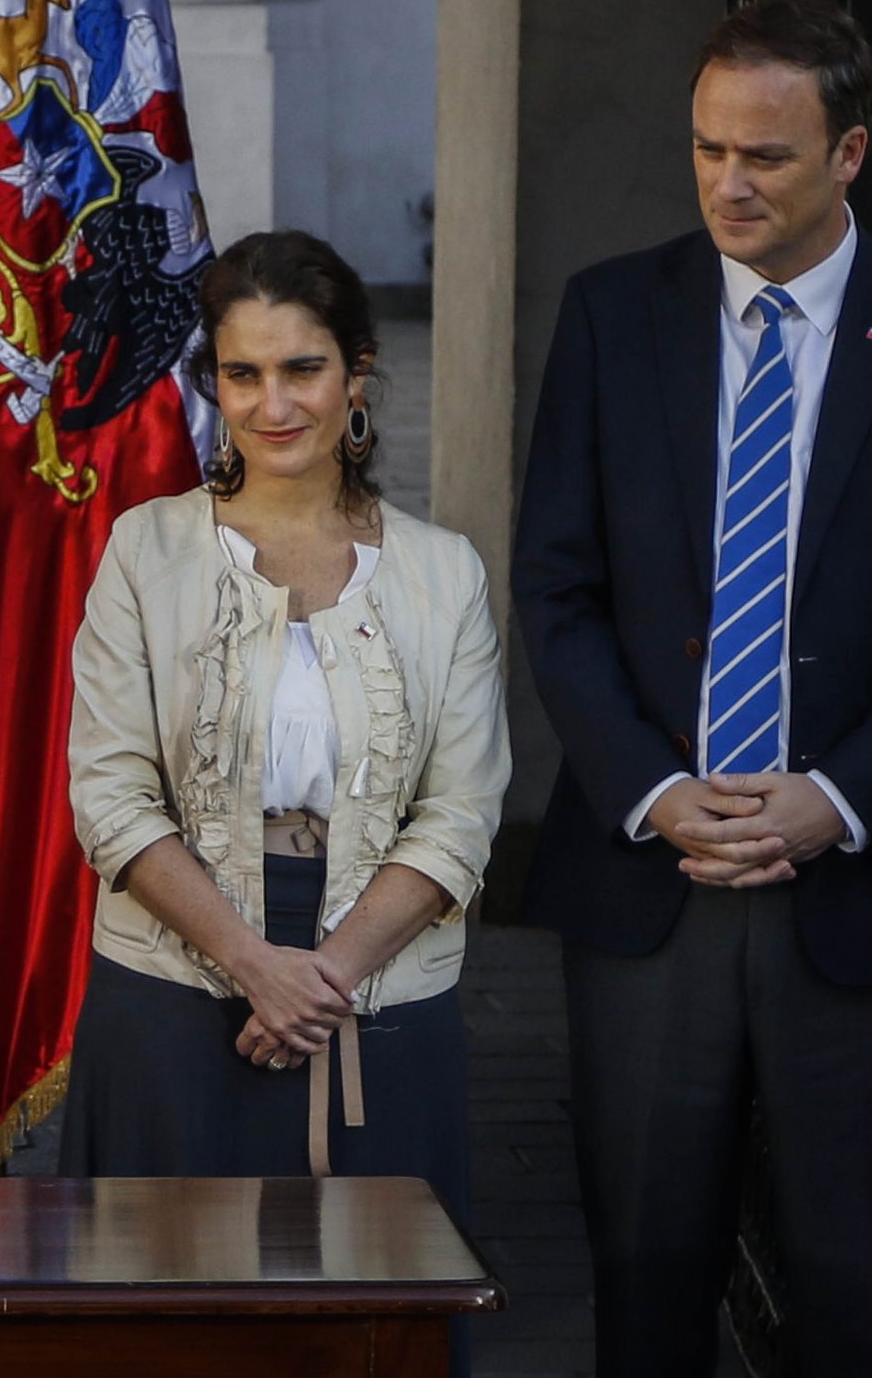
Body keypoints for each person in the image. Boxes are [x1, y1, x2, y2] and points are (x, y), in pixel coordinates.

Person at [514, 0, 872, 1376]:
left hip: (863, 896)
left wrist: (838, 797)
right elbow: (557, 592)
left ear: (851, 153)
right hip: (651, 892)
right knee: (644, 1288)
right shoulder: (614, 314)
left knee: (862, 1294)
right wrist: (658, 788)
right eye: (706, 150)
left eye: (767, 156)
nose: (728, 184)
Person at [60, 230, 507, 1272]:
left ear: (356, 375)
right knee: (170, 1315)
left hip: (380, 983)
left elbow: (462, 811)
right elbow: (111, 794)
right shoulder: (145, 550)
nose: (273, 404)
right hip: (175, 984)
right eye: (242, 373)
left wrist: (327, 975)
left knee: (370, 1314)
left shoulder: (444, 575)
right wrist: (254, 964)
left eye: (302, 369)